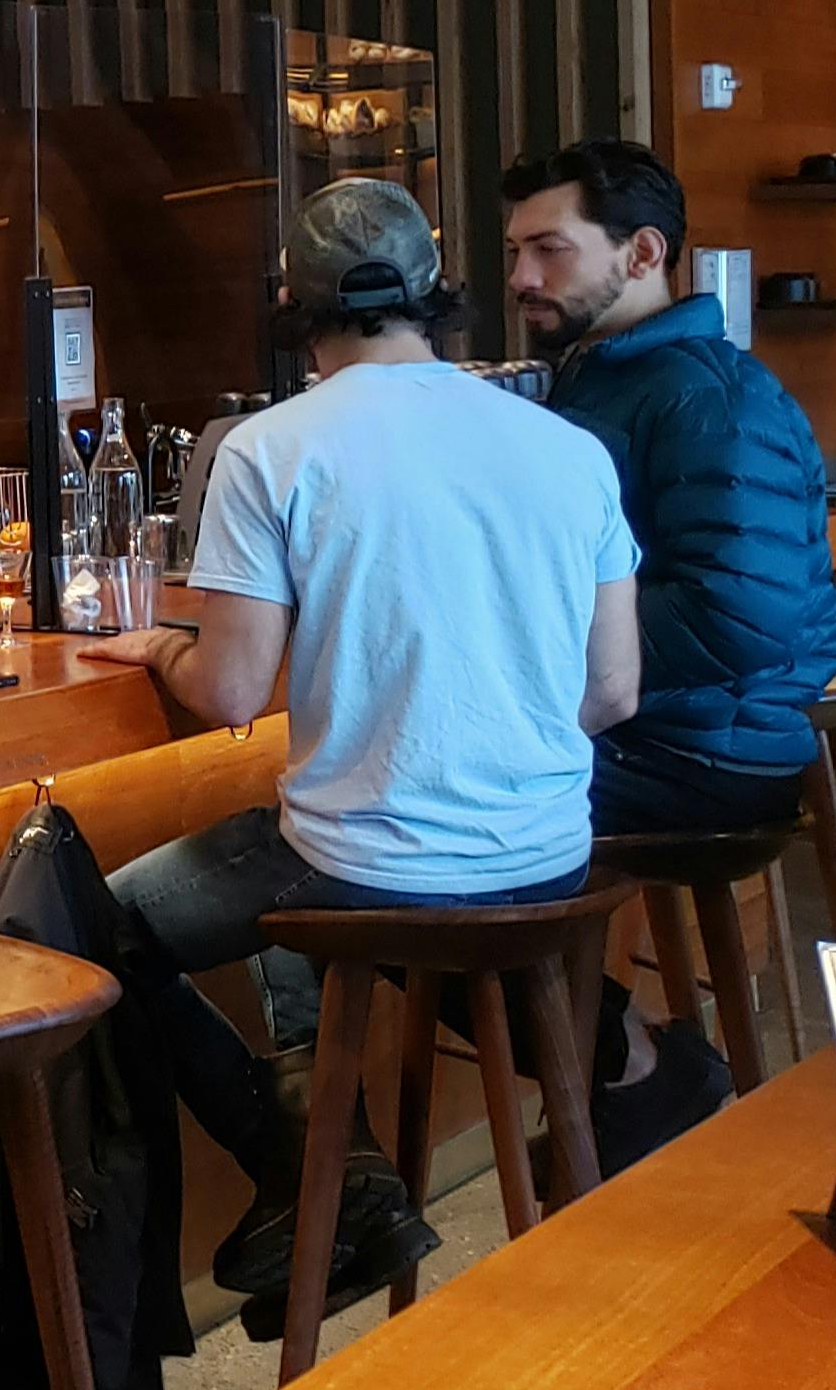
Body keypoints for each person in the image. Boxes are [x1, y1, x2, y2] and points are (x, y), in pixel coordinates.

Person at [87, 178, 639, 1326]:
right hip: (546, 868)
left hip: (370, 874)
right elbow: (612, 690)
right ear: (435, 294)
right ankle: (340, 1177)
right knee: (290, 855)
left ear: (293, 302)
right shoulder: (564, 444)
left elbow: (231, 688)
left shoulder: (270, 448)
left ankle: (314, 1179)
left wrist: (156, 651)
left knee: (101, 927)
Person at [506, 137, 836, 1153]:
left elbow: (740, 615)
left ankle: (637, 1067)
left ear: (644, 253)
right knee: (391, 837)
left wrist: (536, 664)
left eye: (549, 249)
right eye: (515, 250)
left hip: (703, 757)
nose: (521, 276)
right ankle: (628, 1063)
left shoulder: (705, 393)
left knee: (416, 837)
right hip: (663, 737)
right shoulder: (608, 382)